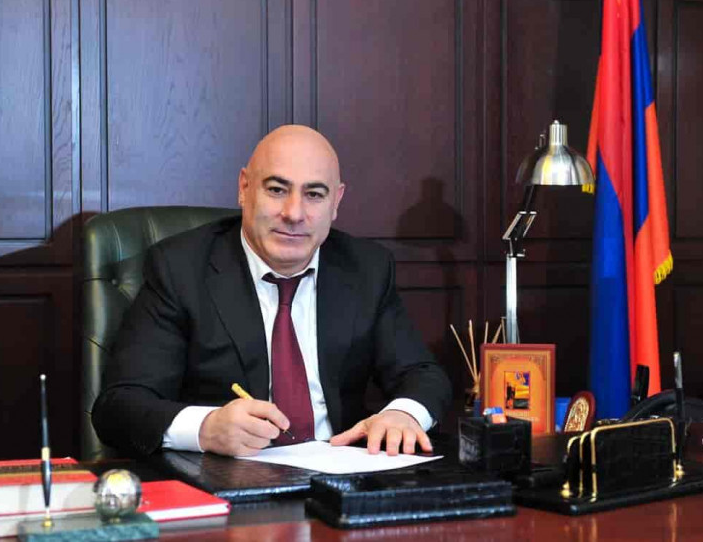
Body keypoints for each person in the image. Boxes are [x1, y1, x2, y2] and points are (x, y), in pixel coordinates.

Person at [92, 125, 452, 458]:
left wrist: (404, 414)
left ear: (336, 202)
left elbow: (423, 374)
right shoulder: (180, 269)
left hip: (341, 478)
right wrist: (206, 428)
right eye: (277, 190)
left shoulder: (366, 268)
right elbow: (119, 406)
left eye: (314, 194)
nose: (294, 213)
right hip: (227, 481)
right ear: (244, 188)